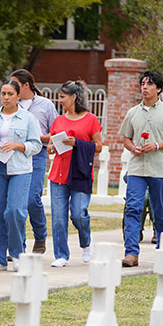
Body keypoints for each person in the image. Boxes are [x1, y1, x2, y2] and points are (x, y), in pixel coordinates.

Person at [119, 70, 163, 268]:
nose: (144, 87)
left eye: (149, 84)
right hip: (137, 168)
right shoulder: (133, 113)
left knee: (159, 210)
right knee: (132, 208)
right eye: (143, 84)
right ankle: (131, 253)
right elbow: (125, 138)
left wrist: (157, 145)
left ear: (158, 89)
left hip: (160, 169)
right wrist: (133, 148)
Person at [0, 79, 42, 271]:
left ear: (18, 96)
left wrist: (17, 145)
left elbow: (37, 145)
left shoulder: (28, 118)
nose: (6, 98)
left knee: (15, 211)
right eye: (3, 94)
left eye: (10, 94)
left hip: (20, 170)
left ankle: (17, 254)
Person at [47, 80, 103, 268]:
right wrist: (51, 147)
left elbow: (99, 147)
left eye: (63, 96)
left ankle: (86, 241)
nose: (60, 100)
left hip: (80, 172)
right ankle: (61, 255)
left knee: (79, 214)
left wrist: (77, 143)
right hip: (59, 173)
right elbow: (52, 141)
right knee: (58, 217)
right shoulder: (58, 120)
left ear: (74, 97)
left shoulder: (91, 119)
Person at [9, 69, 58, 255]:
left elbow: (56, 131)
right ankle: (17, 245)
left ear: (26, 85)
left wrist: (38, 137)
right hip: (15, 154)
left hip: (37, 154)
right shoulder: (13, 104)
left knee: (32, 199)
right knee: (16, 202)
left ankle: (40, 235)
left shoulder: (45, 105)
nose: (11, 89)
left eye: (15, 85)